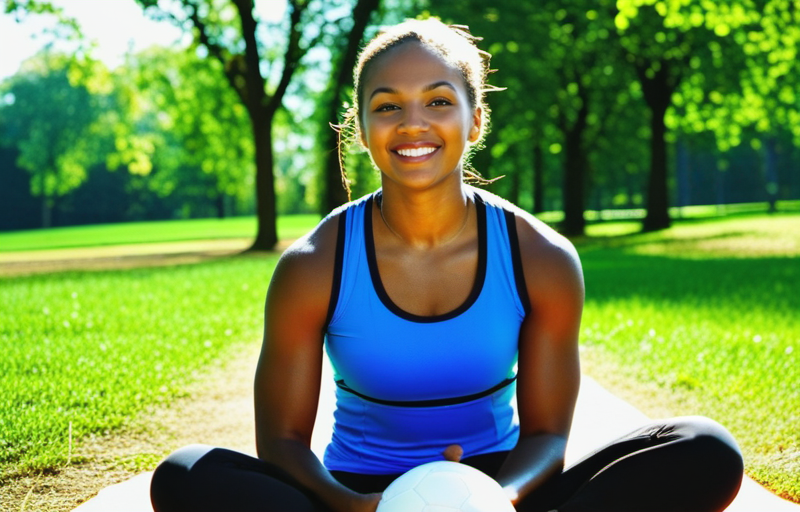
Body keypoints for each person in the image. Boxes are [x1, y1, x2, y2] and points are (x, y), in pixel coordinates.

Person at [150, 18, 744, 512]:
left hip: (500, 485)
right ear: (360, 130)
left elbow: (546, 436)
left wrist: (491, 502)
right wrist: (354, 505)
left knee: (706, 447)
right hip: (360, 495)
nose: (413, 122)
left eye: (438, 100)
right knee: (184, 473)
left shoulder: (541, 258)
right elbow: (279, 443)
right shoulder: (312, 266)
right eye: (388, 106)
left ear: (475, 119)